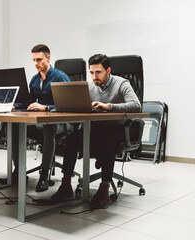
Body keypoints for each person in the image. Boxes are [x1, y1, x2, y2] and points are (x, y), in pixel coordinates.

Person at [50, 54, 141, 209]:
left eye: (98, 72)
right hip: (95, 128)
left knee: (107, 141)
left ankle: (104, 188)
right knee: (72, 139)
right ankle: (66, 186)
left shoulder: (122, 83)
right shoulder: (89, 87)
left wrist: (109, 106)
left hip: (117, 128)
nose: (94, 76)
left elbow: (136, 105)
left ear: (108, 70)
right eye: (91, 72)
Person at [0, 44, 70, 192]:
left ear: (48, 58)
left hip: (60, 122)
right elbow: (28, 102)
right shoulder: (34, 80)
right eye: (34, 60)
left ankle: (44, 175)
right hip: (40, 121)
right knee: (14, 125)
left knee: (50, 127)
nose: (36, 63)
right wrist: (14, 106)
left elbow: (68, 104)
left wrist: (47, 107)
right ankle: (18, 170)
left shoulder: (60, 77)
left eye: (39, 59)